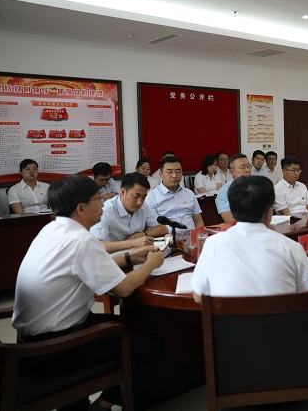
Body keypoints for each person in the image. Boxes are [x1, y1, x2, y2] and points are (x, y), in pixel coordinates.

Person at [12, 174, 165, 411]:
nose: (103, 203)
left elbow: (86, 266)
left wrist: (130, 257)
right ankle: (101, 407)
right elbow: (124, 289)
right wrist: (150, 264)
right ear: (81, 208)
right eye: (97, 199)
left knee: (131, 325)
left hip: (29, 341)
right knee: (152, 346)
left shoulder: (52, 229)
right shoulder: (82, 240)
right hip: (56, 347)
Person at [191, 175, 308, 299]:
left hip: (229, 314)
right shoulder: (291, 248)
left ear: (232, 210)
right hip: (279, 314)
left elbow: (198, 296)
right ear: (269, 212)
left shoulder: (212, 244)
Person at [91, 172, 168, 252]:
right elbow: (95, 245)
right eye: (136, 196)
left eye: (143, 197)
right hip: (113, 255)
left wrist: (139, 235)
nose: (139, 202)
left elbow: (163, 228)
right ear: (123, 192)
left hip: (138, 253)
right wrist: (132, 243)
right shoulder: (106, 210)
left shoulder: (143, 207)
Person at [145, 156, 204, 231]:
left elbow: (198, 220)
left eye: (178, 171)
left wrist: (199, 234)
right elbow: (151, 226)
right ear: (161, 174)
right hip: (167, 237)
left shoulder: (189, 194)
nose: (174, 176)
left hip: (191, 235)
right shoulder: (152, 197)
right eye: (169, 172)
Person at [215, 153, 252, 223]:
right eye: (242, 167)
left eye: (248, 166)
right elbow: (229, 220)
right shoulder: (224, 191)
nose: (247, 170)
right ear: (232, 172)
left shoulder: (257, 186)